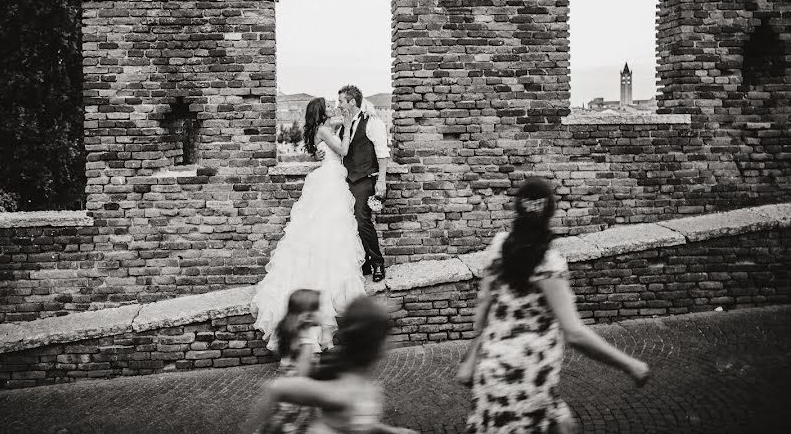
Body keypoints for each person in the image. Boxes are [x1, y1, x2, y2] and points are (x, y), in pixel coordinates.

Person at [457, 177, 650, 434]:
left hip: (493, 371)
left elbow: (484, 308)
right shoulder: (549, 265)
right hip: (528, 378)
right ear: (550, 212)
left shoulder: (499, 246)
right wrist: (630, 364)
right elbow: (575, 334)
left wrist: (471, 359)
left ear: (517, 209)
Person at [251, 97, 366, 352]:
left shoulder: (316, 130)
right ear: (321, 111)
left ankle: (321, 336)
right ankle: (322, 335)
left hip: (325, 178)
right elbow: (344, 151)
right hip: (331, 181)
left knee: (319, 231)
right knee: (331, 231)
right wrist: (347, 125)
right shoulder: (325, 130)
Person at [244, 295, 418, 434]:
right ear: (375, 344)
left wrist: (390, 431)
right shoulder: (340, 393)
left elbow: (354, 424)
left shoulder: (364, 386)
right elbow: (275, 388)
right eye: (388, 333)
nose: (393, 340)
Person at [333, 85, 390, 282]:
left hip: (365, 179)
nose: (338, 105)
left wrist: (381, 181)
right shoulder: (344, 125)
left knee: (363, 220)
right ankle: (364, 261)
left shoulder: (373, 122)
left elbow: (382, 154)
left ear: (352, 102)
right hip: (347, 181)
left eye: (341, 101)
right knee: (352, 222)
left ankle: (377, 264)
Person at [258, 289, 323, 434]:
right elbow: (301, 379)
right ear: (307, 316)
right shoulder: (306, 345)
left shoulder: (292, 335)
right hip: (297, 399)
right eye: (319, 309)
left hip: (286, 396)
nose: (322, 313)